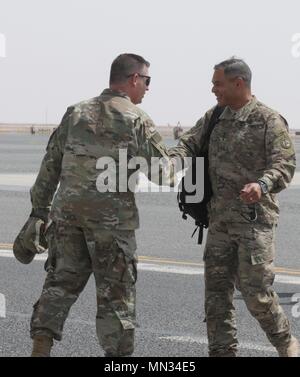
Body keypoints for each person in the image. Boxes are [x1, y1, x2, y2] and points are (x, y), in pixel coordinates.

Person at [15, 53, 173, 357]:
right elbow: (163, 174)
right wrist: (179, 156)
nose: (149, 89)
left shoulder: (75, 112)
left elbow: (50, 166)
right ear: (134, 79)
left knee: (59, 287)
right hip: (112, 227)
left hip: (67, 219)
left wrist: (38, 211)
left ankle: (40, 350)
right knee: (116, 301)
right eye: (147, 81)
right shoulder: (136, 119)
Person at [170, 58, 298, 357]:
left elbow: (285, 164)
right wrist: (172, 159)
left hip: (254, 223)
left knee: (257, 295)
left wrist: (262, 184)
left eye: (218, 83)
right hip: (219, 222)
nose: (213, 89)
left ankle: (286, 343)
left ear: (238, 83)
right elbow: (188, 143)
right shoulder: (216, 116)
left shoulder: (268, 120)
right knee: (216, 297)